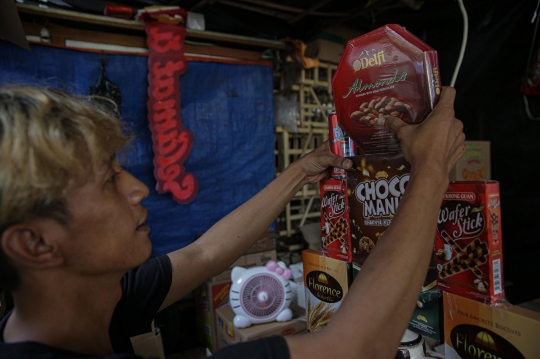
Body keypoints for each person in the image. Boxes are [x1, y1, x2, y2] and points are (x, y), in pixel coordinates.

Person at [0, 84, 464, 359]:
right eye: (107, 181)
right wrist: (430, 169)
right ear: (35, 244)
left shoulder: (89, 304)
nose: (137, 189)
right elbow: (357, 346)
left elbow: (205, 253)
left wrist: (302, 171)